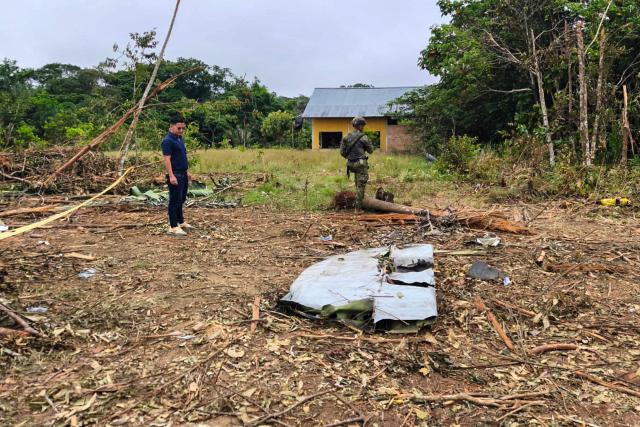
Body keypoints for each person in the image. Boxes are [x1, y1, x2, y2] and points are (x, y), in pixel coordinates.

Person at [162, 115, 194, 236]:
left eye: (183, 128)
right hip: (175, 174)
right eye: (179, 128)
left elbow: (182, 157)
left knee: (181, 199)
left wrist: (187, 172)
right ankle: (173, 226)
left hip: (183, 173)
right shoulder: (167, 141)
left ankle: (180, 222)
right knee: (174, 200)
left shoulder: (179, 139)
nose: (181, 131)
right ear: (171, 126)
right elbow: (167, 159)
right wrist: (171, 175)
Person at [340, 116, 374, 210]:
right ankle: (358, 209)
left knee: (357, 183)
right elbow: (370, 150)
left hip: (350, 164)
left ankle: (359, 202)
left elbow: (342, 153)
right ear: (360, 126)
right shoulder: (364, 137)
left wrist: (351, 157)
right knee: (361, 185)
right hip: (361, 164)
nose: (363, 127)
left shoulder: (346, 137)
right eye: (362, 125)